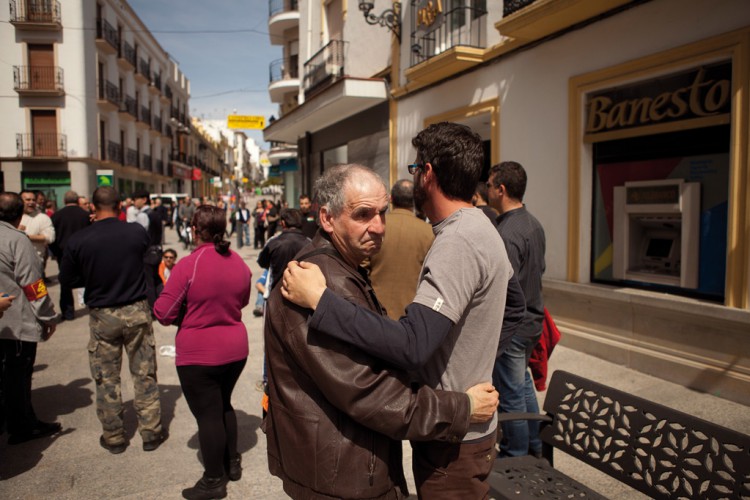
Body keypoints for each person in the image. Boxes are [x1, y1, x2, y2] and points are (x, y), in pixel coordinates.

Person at [282, 123, 514, 498]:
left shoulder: (457, 240)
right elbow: (515, 309)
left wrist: (323, 302)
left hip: (455, 436)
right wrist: (476, 357)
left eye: (414, 168)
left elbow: (412, 345)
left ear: (427, 174)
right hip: (456, 425)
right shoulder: (482, 225)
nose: (378, 227)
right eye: (363, 215)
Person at [154, 205, 251, 500]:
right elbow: (243, 299)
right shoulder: (237, 262)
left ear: (194, 230)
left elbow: (163, 312)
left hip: (200, 353)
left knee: (208, 415)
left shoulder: (189, 264)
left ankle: (213, 480)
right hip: (235, 348)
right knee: (223, 405)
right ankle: (231, 462)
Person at [59, 186, 164, 455]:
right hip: (136, 309)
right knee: (144, 373)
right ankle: (150, 432)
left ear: (92, 207)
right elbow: (147, 259)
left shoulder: (80, 240)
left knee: (106, 377)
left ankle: (114, 435)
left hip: (103, 313)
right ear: (120, 206)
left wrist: (92, 277)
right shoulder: (135, 232)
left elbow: (68, 279)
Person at [487, 160, 547, 458]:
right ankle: (535, 448)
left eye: (489, 185)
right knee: (522, 388)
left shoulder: (508, 232)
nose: (485, 191)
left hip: (514, 328)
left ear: (501, 189)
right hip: (531, 324)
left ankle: (516, 456)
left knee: (511, 396)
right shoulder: (533, 224)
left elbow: (503, 287)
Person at [0, 192, 62, 445]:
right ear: (19, 215)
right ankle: (22, 424)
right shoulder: (17, 239)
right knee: (18, 376)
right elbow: (33, 284)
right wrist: (48, 317)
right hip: (16, 323)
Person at [367, 179, 434, 320]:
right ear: (415, 200)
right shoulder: (429, 232)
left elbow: (362, 265)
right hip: (410, 313)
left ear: (390, 199)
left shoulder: (375, 227)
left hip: (375, 311)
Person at [50, 190, 90, 321]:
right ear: (77, 201)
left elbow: (52, 237)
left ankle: (68, 312)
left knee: (65, 283)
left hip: (64, 253)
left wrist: (56, 252)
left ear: (64, 201)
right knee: (88, 279)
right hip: (83, 252)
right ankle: (91, 304)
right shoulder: (85, 215)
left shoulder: (56, 216)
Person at [257, 208, 309, 291]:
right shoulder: (309, 243)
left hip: (276, 293)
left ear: (283, 223)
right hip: (302, 293)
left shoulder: (273, 242)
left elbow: (262, 262)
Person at [19, 190, 56, 273]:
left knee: (38, 286)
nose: (31, 202)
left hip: (34, 266)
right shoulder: (11, 216)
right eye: (28, 200)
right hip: (12, 267)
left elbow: (50, 237)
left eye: (33, 200)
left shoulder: (42, 218)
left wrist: (26, 236)